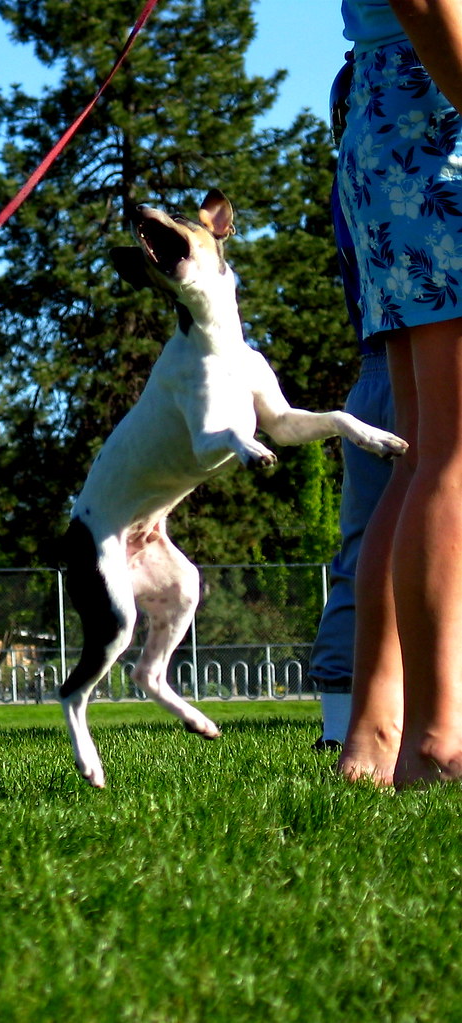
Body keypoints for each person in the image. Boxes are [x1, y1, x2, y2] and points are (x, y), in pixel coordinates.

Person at [333, 0, 462, 787]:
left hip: (395, 123)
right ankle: (439, 736)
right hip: (434, 133)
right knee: (450, 454)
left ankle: (377, 734)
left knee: (421, 455)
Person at [308, 179, 394, 750]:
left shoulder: (358, 169)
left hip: (375, 376)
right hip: (425, 366)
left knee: (363, 551)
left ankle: (340, 729)